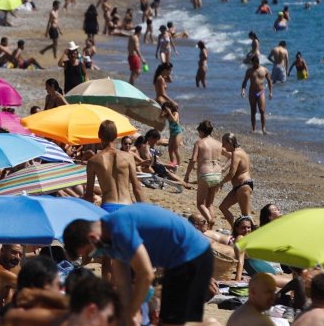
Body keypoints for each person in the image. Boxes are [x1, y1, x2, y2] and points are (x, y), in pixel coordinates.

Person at [63, 203, 214, 326]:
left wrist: (132, 311)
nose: (93, 256)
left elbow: (146, 274)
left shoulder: (119, 228)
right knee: (170, 319)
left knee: (173, 321)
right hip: (178, 261)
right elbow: (123, 284)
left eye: (90, 252)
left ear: (93, 238)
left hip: (193, 255)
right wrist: (130, 314)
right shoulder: (110, 240)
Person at [84, 119, 143, 211]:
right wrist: (145, 210)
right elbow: (137, 188)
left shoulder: (93, 161)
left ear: (99, 135)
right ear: (116, 136)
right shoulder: (128, 157)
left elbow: (89, 195)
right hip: (127, 206)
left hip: (108, 207)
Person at [183, 119, 223, 226]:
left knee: (201, 204)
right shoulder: (219, 144)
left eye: (198, 132)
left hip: (206, 174)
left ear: (201, 131)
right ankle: (210, 227)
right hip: (218, 174)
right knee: (210, 204)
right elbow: (230, 156)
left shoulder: (199, 143)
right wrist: (224, 169)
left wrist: (187, 175)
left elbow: (193, 160)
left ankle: (210, 220)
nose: (198, 135)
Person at [218, 133, 253, 226]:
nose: (223, 146)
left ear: (230, 142)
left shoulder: (236, 153)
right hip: (239, 187)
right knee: (223, 207)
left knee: (246, 215)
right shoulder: (241, 151)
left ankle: (252, 234)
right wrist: (224, 168)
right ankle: (235, 229)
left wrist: (221, 182)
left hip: (243, 186)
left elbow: (232, 174)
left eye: (224, 144)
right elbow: (233, 162)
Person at [239, 55, 272, 133]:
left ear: (257, 62)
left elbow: (269, 81)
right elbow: (245, 82)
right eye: (252, 63)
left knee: (262, 110)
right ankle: (253, 129)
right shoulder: (249, 71)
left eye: (254, 63)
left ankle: (263, 129)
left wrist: (270, 92)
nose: (253, 65)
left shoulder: (264, 70)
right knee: (253, 111)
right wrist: (243, 90)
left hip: (261, 92)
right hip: (252, 92)